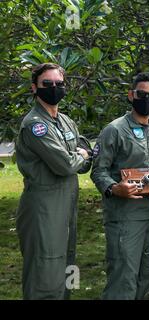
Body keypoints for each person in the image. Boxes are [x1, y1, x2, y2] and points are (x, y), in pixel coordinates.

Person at [90, 72, 149, 300]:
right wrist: (115, 188)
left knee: (145, 276)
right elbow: (99, 170)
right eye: (142, 94)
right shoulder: (114, 130)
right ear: (131, 95)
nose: (147, 99)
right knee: (123, 278)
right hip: (124, 217)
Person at [15, 62, 91, 299]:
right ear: (34, 88)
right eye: (47, 84)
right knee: (44, 269)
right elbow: (65, 164)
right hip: (44, 207)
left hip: (67, 205)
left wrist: (81, 155)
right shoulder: (35, 125)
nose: (54, 88)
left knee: (66, 264)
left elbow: (84, 159)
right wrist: (80, 155)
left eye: (59, 83)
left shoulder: (66, 120)